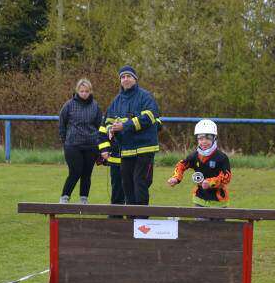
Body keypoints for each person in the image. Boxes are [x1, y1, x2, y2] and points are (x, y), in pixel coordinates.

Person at [100, 65, 162, 205]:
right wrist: (111, 128)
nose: (125, 79)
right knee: (127, 184)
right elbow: (108, 121)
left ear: (135, 79)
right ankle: (131, 219)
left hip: (144, 148)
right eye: (123, 77)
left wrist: (125, 125)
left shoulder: (145, 96)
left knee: (139, 182)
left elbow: (150, 116)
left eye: (129, 76)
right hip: (126, 150)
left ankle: (141, 220)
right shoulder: (117, 100)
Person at [167, 119, 231, 207]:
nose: (204, 141)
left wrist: (210, 182)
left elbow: (226, 177)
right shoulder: (194, 156)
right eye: (200, 138)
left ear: (214, 138)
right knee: (200, 221)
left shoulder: (221, 157)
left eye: (208, 138)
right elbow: (181, 165)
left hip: (219, 202)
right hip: (199, 200)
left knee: (218, 221)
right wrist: (176, 178)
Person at [58, 78, 101, 204]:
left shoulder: (95, 106)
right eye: (81, 91)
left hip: (91, 145)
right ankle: (64, 197)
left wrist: (98, 142)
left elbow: (99, 124)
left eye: (86, 91)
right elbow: (62, 123)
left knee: (87, 174)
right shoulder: (69, 105)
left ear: (90, 91)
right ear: (77, 91)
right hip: (73, 145)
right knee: (75, 171)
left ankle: (83, 199)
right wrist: (65, 140)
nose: (84, 93)